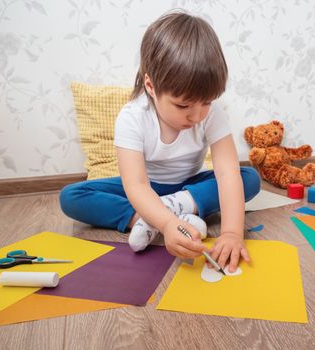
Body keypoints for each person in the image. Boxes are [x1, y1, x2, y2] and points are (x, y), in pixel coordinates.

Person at [60, 11, 261, 272]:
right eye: (183, 105)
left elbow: (227, 173)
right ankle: (151, 217)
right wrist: (167, 225)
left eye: (207, 102)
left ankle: (164, 212)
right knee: (72, 196)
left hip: (190, 187)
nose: (197, 114)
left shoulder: (213, 114)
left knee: (249, 178)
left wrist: (232, 234)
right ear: (151, 87)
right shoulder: (132, 117)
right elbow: (136, 185)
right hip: (146, 188)